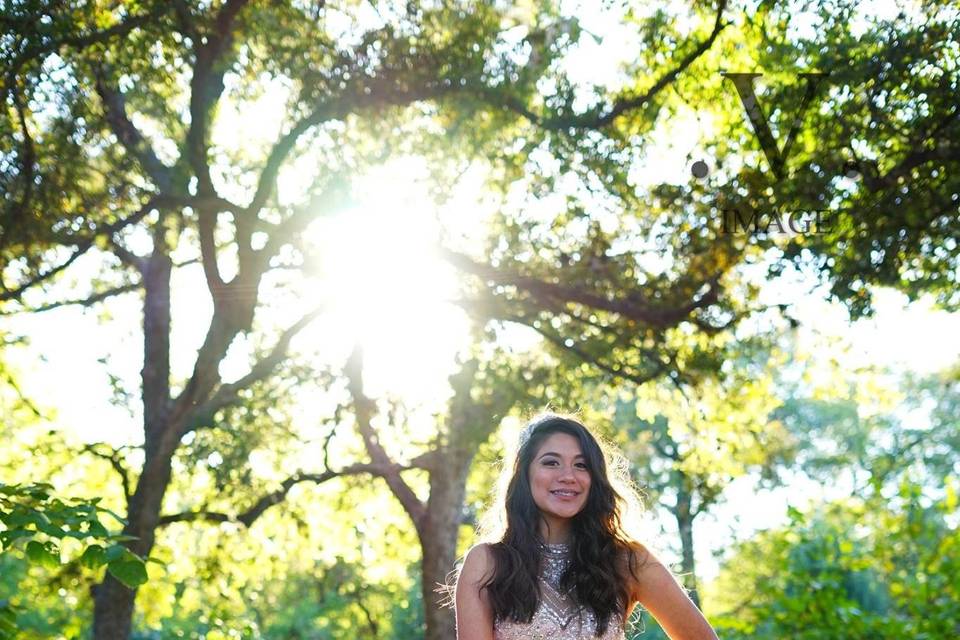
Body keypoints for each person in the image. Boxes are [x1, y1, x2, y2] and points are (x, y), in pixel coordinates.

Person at [454, 413, 719, 640]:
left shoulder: (627, 561)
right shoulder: (487, 563)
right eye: (551, 462)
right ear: (524, 473)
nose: (568, 476)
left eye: (581, 465)